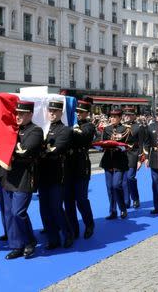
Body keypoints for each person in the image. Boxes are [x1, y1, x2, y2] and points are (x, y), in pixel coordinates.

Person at [0, 101, 43, 259]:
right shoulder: (13, 130)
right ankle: (16, 245)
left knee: (18, 212)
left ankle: (30, 241)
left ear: (30, 114)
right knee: (9, 213)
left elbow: (25, 151)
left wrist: (11, 148)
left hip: (24, 177)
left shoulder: (36, 131)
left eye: (22, 114)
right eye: (17, 113)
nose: (18, 116)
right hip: (9, 176)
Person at [39, 100, 74, 250]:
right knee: (44, 209)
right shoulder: (43, 129)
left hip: (56, 174)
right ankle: (53, 238)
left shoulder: (65, 130)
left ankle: (67, 234)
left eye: (55, 111)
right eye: (50, 111)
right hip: (42, 174)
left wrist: (38, 151)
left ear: (61, 113)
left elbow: (57, 149)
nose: (52, 113)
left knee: (56, 208)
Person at [64, 100, 95, 240]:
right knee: (68, 200)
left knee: (81, 199)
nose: (78, 114)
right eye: (76, 111)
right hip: (68, 167)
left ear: (87, 113)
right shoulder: (69, 125)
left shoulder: (89, 126)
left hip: (81, 166)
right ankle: (73, 228)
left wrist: (71, 128)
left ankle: (89, 224)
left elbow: (82, 137)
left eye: (81, 112)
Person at [100, 108, 129, 220]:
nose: (112, 119)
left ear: (120, 118)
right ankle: (113, 211)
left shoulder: (125, 129)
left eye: (115, 117)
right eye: (111, 117)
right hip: (108, 161)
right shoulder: (106, 129)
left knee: (116, 185)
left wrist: (121, 146)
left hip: (119, 161)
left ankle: (123, 208)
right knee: (109, 188)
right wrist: (101, 146)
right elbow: (102, 142)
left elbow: (128, 145)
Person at [122, 106, 145, 209]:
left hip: (133, 154)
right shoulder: (121, 126)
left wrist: (140, 159)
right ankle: (126, 201)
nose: (128, 116)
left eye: (130, 114)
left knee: (130, 177)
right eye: (126, 114)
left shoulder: (139, 127)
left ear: (134, 116)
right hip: (122, 155)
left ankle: (135, 198)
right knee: (124, 179)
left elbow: (141, 144)